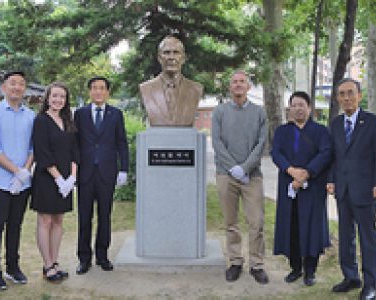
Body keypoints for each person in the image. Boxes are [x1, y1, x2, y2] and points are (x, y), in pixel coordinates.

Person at [327, 78, 376, 300]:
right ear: (338, 98)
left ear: (360, 95)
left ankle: (370, 285)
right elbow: (333, 157)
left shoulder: (373, 122)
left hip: (366, 191)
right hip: (342, 191)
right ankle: (351, 277)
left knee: (367, 238)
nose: (346, 98)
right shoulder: (335, 124)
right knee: (346, 236)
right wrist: (331, 179)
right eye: (342, 94)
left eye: (350, 93)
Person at [212, 70, 269, 284]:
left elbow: (261, 143)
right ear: (230, 87)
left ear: (248, 87)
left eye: (242, 82)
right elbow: (217, 143)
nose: (238, 85)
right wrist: (232, 168)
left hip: (252, 176)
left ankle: (257, 264)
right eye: (234, 82)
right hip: (226, 176)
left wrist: (244, 168)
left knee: (256, 222)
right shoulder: (219, 112)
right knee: (231, 222)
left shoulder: (259, 113)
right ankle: (235, 261)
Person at [271, 91, 332, 286]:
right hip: (288, 185)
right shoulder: (282, 131)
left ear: (309, 108)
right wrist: (291, 171)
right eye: (294, 105)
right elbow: (276, 153)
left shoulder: (320, 131)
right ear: (289, 108)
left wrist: (306, 173)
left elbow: (326, 154)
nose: (298, 108)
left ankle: (310, 271)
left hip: (313, 186)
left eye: (302, 105)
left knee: (312, 228)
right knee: (292, 226)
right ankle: (295, 268)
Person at [0, 71, 36, 290]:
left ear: (25, 89)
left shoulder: (31, 116)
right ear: (4, 87)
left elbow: (34, 147)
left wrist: (24, 172)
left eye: (21, 84)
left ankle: (12, 266)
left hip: (22, 181)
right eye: (12, 83)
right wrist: (15, 170)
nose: (17, 87)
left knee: (16, 225)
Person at [74, 76, 128, 274]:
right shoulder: (80, 114)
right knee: (84, 217)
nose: (98, 91)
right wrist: (73, 170)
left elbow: (121, 142)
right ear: (90, 91)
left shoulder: (116, 114)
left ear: (107, 92)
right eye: (94, 88)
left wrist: (123, 169)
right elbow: (75, 143)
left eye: (102, 88)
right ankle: (84, 258)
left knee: (105, 216)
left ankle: (102, 255)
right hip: (85, 173)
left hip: (107, 173)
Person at [31, 82, 78, 282]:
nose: (58, 100)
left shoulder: (68, 120)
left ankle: (55, 261)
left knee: (59, 220)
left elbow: (75, 150)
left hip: (67, 178)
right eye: (54, 96)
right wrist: (58, 178)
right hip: (47, 177)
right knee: (45, 220)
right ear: (47, 98)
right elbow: (42, 152)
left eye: (62, 97)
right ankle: (47, 264)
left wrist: (72, 178)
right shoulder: (41, 120)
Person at [139, 36, 203, 126]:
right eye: (166, 52)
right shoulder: (146, 88)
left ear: (183, 58)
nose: (171, 57)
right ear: (159, 58)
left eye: (176, 52)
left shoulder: (195, 89)